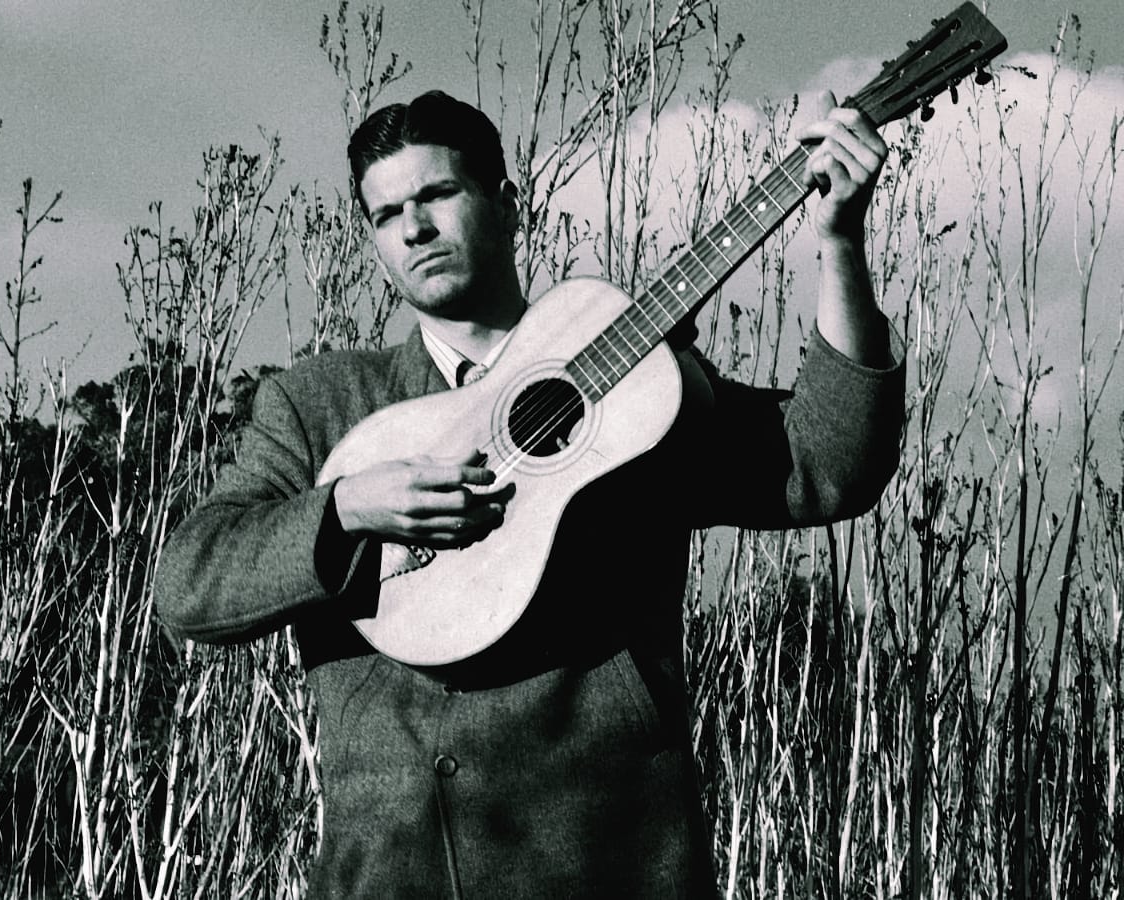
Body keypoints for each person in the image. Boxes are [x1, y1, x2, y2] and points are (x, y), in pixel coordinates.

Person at [154, 89, 904, 897]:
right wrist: (346, 508)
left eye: (439, 195)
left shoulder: (636, 385)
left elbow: (828, 460)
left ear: (509, 207)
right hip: (396, 873)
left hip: (607, 857)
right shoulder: (323, 404)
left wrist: (840, 245)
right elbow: (189, 584)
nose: (414, 229)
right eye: (386, 215)